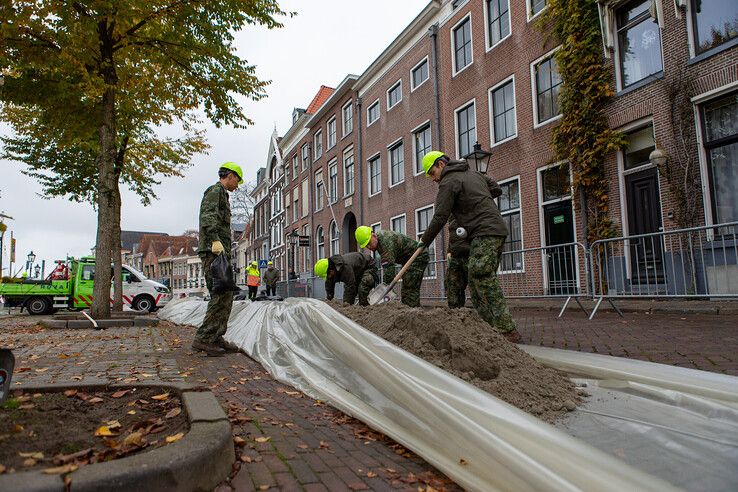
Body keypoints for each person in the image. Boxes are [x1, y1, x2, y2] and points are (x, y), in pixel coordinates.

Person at [419, 151, 522, 343]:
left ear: (441, 164)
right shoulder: (474, 174)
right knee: (475, 280)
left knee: (480, 273)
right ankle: (489, 327)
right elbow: (496, 188)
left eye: (432, 173)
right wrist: (472, 199)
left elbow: (440, 217)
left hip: (485, 231)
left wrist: (423, 242)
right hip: (493, 230)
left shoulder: (448, 182)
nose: (433, 179)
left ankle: (507, 329)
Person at [192, 161, 243, 356]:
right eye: (236, 180)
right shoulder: (214, 191)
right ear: (229, 175)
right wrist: (214, 240)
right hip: (213, 251)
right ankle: (203, 338)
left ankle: (216, 335)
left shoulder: (223, 195)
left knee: (226, 294)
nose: (237, 185)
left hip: (221, 252)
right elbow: (208, 218)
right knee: (219, 294)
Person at [446, 177, 503, 309]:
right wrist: (449, 250)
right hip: (455, 253)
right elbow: (452, 230)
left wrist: (476, 175)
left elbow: (496, 188)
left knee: (478, 288)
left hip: (471, 251)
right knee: (452, 288)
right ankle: (455, 319)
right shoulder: (452, 206)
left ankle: (485, 319)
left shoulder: (473, 202)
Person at [354, 226, 428, 307]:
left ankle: (413, 313)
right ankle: (411, 309)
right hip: (408, 259)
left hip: (418, 256)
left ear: (374, 236)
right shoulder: (379, 241)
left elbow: (389, 269)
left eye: (368, 243)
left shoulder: (385, 242)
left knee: (410, 288)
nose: (368, 247)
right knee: (407, 288)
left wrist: (385, 288)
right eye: (366, 246)